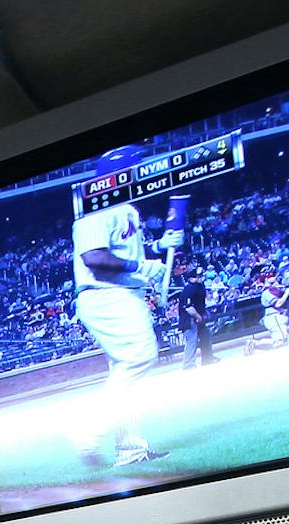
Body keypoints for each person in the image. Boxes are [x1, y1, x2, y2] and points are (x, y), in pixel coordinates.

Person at [68, 146, 176, 469]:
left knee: (124, 369)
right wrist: (140, 267)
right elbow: (95, 258)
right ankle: (86, 430)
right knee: (140, 356)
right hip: (104, 294)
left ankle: (129, 448)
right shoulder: (93, 209)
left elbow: (125, 252)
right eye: (134, 169)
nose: (140, 174)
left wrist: (157, 248)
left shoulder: (125, 208)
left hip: (121, 294)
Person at [175, 256, 215, 369]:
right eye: (198, 276)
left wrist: (203, 313)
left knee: (206, 336)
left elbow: (199, 303)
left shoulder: (198, 287)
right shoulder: (189, 289)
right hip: (189, 320)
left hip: (198, 318)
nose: (201, 278)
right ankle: (188, 364)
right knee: (191, 341)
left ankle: (208, 359)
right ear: (192, 278)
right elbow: (188, 307)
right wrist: (198, 316)